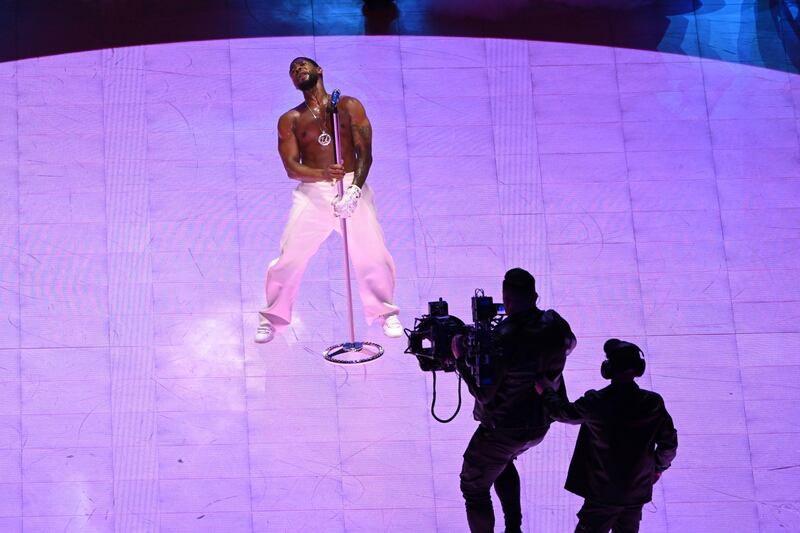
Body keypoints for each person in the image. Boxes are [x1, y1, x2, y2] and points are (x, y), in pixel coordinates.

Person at [255, 57, 402, 343]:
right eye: (293, 70)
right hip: (313, 192)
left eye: (303, 66)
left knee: (372, 253)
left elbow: (365, 153)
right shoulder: (290, 119)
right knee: (289, 256)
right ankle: (272, 319)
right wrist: (321, 172)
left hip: (350, 184)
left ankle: (386, 313)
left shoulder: (348, 106)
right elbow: (291, 168)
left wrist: (355, 190)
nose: (298, 70)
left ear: (319, 70)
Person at [452, 268, 576, 533]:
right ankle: (514, 529)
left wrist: (460, 359)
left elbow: (484, 394)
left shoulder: (502, 338)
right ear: (535, 296)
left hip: (502, 430)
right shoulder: (556, 323)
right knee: (502, 462)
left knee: (473, 487)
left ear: (506, 301)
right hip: (540, 423)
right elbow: (570, 344)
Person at [536, 339, 678, 533]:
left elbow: (563, 413)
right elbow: (668, 445)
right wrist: (658, 468)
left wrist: (546, 392)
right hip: (636, 492)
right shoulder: (653, 403)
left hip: (602, 493)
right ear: (639, 368)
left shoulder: (597, 401)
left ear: (608, 368)